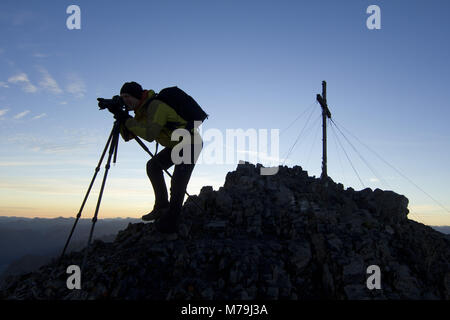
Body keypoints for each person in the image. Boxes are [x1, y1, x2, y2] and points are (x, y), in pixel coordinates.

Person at [117, 81, 203, 233]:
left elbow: (150, 135)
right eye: (122, 97)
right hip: (175, 144)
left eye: (127, 96)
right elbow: (128, 135)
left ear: (137, 96)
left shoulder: (155, 106)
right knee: (153, 166)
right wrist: (120, 117)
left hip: (190, 143)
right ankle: (161, 206)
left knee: (177, 182)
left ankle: (171, 221)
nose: (124, 100)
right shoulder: (141, 112)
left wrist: (127, 120)